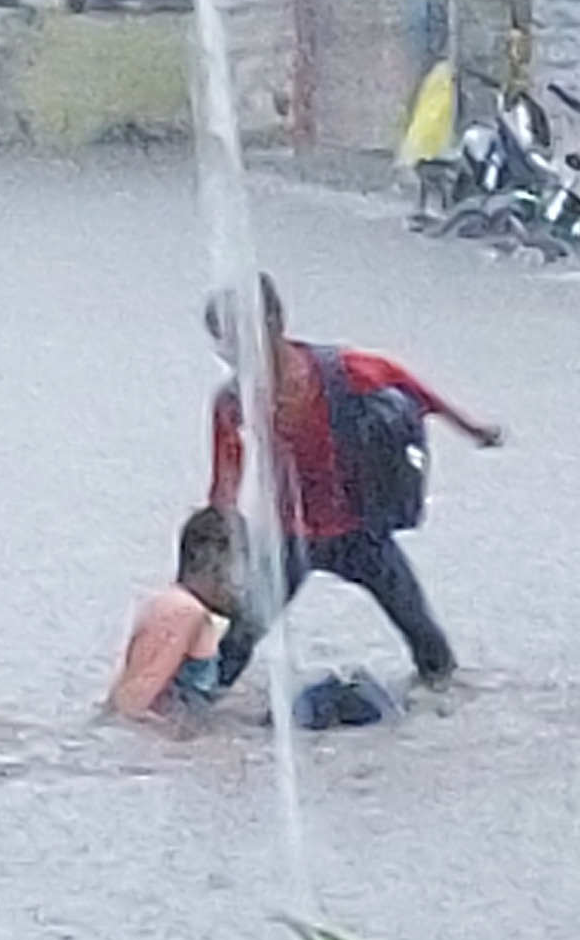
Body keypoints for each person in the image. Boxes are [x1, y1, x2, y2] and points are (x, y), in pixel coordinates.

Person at [206, 277, 505, 688]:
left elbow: (412, 390)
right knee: (239, 640)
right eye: (224, 344)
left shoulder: (343, 370)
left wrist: (471, 428)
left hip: (359, 531)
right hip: (290, 537)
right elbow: (225, 480)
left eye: (237, 340)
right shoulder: (233, 400)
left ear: (273, 323)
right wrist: (213, 551)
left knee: (425, 638)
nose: (231, 355)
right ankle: (199, 706)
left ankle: (443, 698)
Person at [108, 507, 239, 720]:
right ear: (213, 563)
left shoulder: (169, 603)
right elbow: (140, 694)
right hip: (158, 740)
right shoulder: (185, 613)